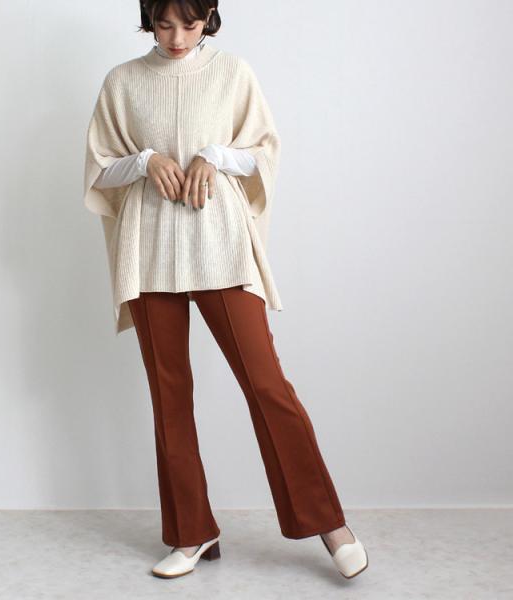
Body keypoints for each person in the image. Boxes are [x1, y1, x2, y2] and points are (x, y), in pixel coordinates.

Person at [83, 0, 369, 580]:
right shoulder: (123, 81)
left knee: (266, 385)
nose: (177, 37)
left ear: (209, 15)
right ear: (148, 17)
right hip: (150, 249)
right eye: (164, 23)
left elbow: (264, 152)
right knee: (169, 396)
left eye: (189, 24)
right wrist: (145, 161)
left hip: (221, 245)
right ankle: (191, 532)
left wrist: (214, 156)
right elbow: (99, 168)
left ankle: (328, 521)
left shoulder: (233, 72)